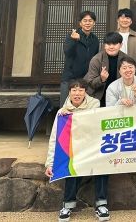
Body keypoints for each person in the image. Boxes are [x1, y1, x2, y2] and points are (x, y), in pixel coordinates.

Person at [45, 79, 110, 222]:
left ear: (85, 92)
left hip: (93, 149)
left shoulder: (95, 105)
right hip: (75, 151)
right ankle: (67, 205)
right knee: (70, 166)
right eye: (74, 90)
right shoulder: (62, 113)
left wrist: (73, 115)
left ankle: (101, 205)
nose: (77, 93)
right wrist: (50, 163)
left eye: (80, 90)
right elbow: (55, 138)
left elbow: (93, 123)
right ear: (69, 93)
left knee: (102, 166)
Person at [60, 11, 99, 106]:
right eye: (85, 20)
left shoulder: (95, 39)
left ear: (94, 23)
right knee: (66, 107)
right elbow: (67, 52)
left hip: (85, 80)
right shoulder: (72, 35)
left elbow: (95, 58)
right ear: (80, 23)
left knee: (84, 108)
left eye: (90, 21)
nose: (87, 23)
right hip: (70, 78)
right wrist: (74, 40)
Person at [83, 32, 128, 106]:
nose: (111, 47)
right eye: (108, 44)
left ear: (121, 45)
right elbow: (90, 83)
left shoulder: (126, 59)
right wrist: (101, 79)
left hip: (119, 96)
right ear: (104, 45)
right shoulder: (96, 59)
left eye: (114, 44)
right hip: (99, 96)